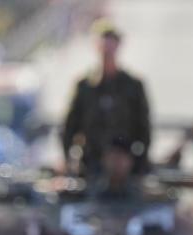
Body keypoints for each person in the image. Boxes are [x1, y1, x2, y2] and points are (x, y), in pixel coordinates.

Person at [62, 21, 151, 177]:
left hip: (125, 167)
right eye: (103, 43)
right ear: (96, 46)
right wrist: (68, 161)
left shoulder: (133, 86)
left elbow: (144, 129)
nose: (107, 50)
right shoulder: (84, 86)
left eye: (112, 43)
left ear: (118, 46)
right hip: (91, 164)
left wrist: (139, 164)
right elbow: (69, 127)